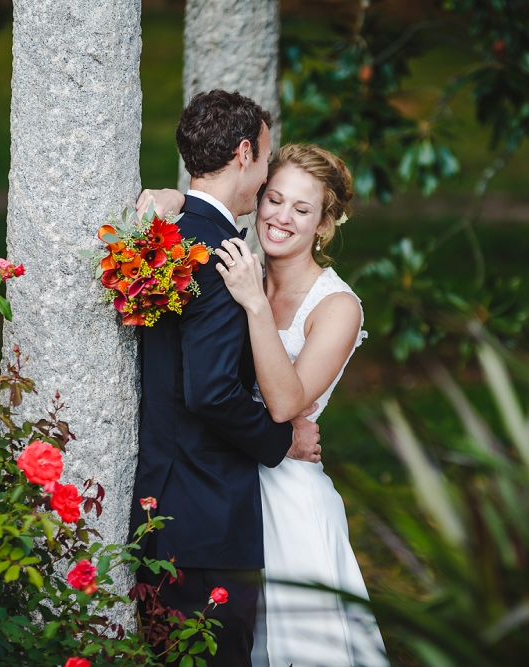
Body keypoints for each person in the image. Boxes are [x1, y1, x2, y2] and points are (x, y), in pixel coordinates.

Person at [141, 144, 388, 667]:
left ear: (324, 224)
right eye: (274, 199)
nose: (281, 217)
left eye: (302, 210)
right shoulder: (233, 263)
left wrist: (255, 304)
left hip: (287, 496)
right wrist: (174, 200)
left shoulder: (338, 307)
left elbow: (285, 405)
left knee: (291, 649)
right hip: (222, 483)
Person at [129, 90, 322, 667]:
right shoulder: (221, 257)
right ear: (245, 153)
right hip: (206, 516)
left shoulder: (163, 233)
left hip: (162, 499)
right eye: (266, 159)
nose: (265, 175)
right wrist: (279, 440)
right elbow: (212, 390)